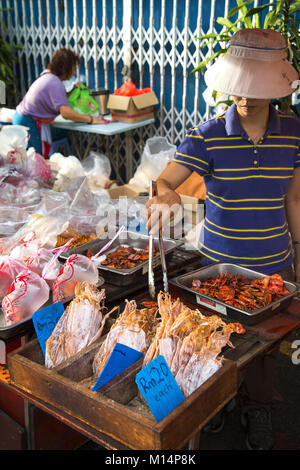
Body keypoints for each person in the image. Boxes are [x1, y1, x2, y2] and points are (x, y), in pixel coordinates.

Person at [146, 28, 300, 450]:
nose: (244, 97)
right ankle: (219, 404)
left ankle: (259, 409)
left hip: (273, 267)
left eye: (254, 88)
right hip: (216, 268)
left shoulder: (293, 133)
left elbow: (294, 199)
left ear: (276, 88)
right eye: (237, 87)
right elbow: (165, 180)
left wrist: (298, 256)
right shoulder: (207, 134)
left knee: (266, 351)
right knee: (218, 342)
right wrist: (164, 194)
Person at [13, 48, 109, 157]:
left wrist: (73, 90)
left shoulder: (47, 75)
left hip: (22, 119)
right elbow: (66, 113)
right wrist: (91, 120)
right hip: (27, 123)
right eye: (72, 69)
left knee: (31, 162)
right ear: (64, 68)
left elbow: (58, 99)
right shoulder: (55, 82)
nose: (73, 72)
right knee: (34, 162)